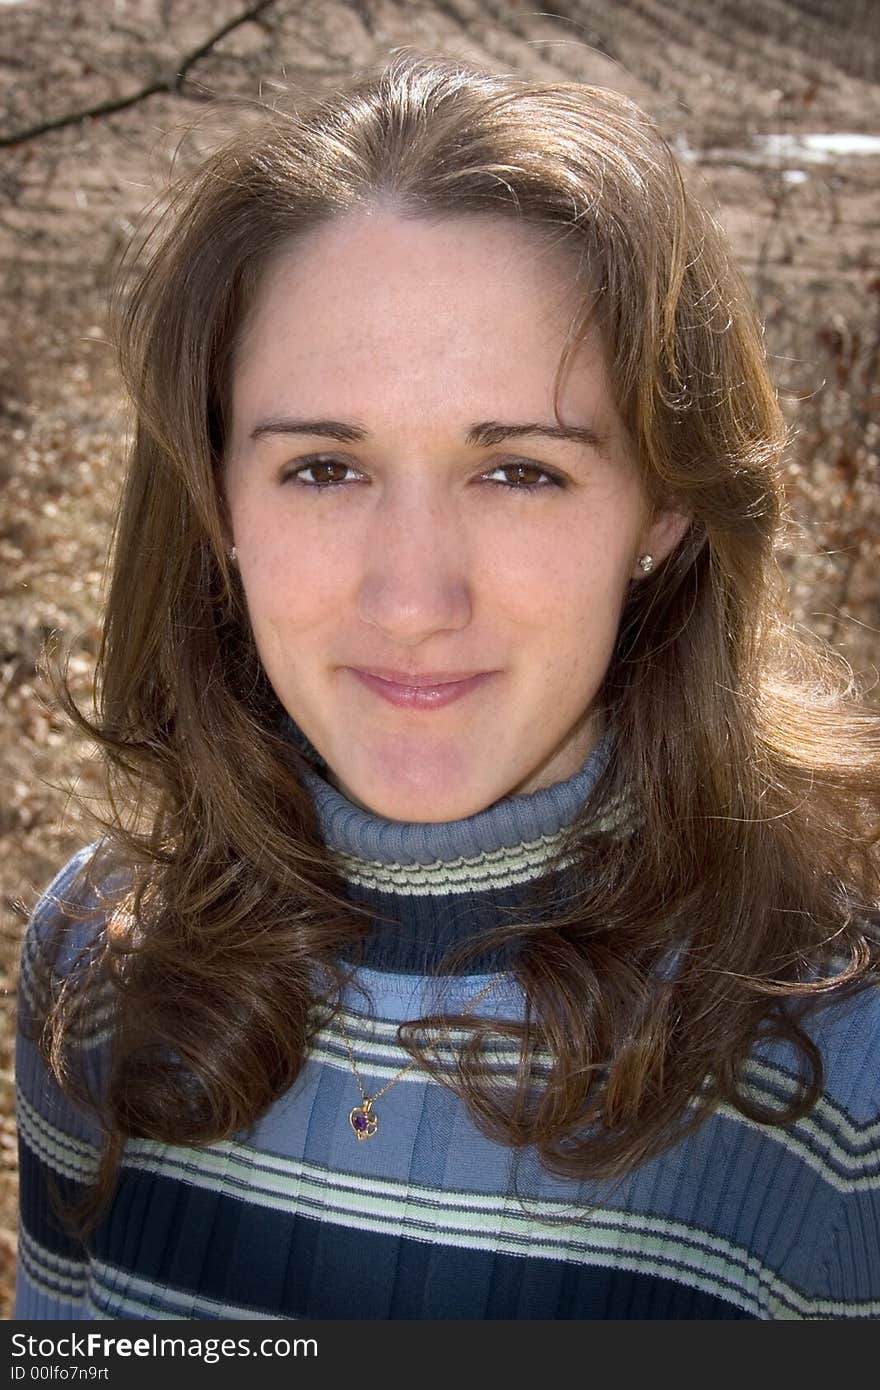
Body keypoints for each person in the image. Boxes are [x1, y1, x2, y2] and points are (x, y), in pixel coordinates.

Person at [15, 49, 880, 1322]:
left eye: (520, 470)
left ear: (665, 510)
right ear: (216, 508)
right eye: (322, 467)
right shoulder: (102, 967)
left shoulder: (840, 1065)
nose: (413, 599)